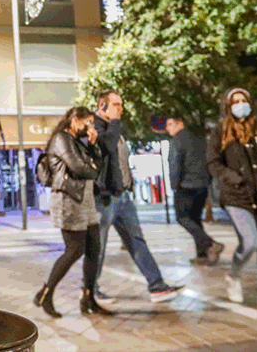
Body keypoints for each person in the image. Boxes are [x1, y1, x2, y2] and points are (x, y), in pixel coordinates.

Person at [92, 90, 184, 303]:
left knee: (136, 241)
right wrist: (114, 122)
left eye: (120, 104)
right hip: (104, 197)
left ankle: (157, 286)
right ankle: (89, 290)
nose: (120, 109)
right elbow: (105, 147)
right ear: (101, 107)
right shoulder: (96, 127)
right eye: (115, 104)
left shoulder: (115, 128)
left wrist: (129, 184)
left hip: (123, 196)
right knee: (98, 245)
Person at [206, 88, 257, 311]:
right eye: (236, 101)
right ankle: (233, 276)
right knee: (250, 242)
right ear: (228, 106)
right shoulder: (220, 132)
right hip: (237, 196)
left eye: (244, 100)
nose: (241, 104)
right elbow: (214, 163)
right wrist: (233, 178)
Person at [33, 107, 112, 317]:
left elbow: (96, 167)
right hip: (68, 199)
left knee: (94, 248)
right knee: (74, 249)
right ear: (75, 121)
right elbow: (82, 168)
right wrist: (92, 166)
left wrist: (94, 145)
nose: (90, 127)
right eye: (87, 123)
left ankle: (88, 299)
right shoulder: (61, 138)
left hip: (85, 198)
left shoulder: (78, 141)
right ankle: (45, 293)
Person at [166, 116, 225, 265]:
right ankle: (203, 254)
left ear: (181, 124)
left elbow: (175, 163)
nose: (168, 128)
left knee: (182, 217)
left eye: (171, 124)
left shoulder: (176, 141)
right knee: (196, 219)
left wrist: (174, 185)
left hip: (185, 187)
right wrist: (208, 182)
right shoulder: (200, 140)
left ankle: (210, 244)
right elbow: (210, 161)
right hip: (202, 186)